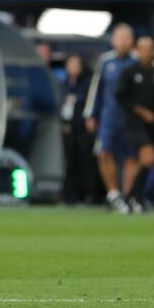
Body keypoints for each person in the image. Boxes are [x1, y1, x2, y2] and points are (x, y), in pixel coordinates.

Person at [115, 37, 154, 213]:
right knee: (147, 157)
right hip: (134, 123)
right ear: (137, 50)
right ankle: (128, 197)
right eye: (143, 48)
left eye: (150, 48)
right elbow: (121, 97)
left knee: (150, 161)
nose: (147, 52)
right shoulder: (129, 72)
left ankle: (136, 198)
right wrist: (141, 111)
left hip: (152, 125)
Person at [84, 23, 137, 214]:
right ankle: (113, 193)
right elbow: (96, 90)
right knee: (103, 152)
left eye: (126, 38)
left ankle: (128, 195)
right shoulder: (106, 61)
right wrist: (91, 114)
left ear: (131, 41)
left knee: (132, 156)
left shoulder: (137, 61)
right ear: (113, 40)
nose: (122, 42)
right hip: (109, 116)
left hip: (132, 118)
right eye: (119, 38)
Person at [60, 55, 97, 204]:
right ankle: (70, 196)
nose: (72, 67)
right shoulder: (65, 83)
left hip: (83, 129)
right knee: (70, 163)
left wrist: (76, 99)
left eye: (75, 64)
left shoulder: (87, 83)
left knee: (85, 162)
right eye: (70, 64)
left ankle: (88, 194)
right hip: (68, 129)